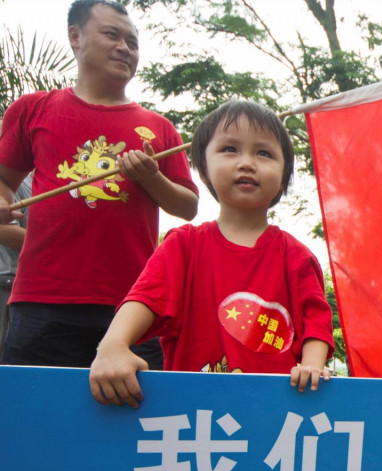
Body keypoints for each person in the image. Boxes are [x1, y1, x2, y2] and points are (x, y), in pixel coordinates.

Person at [0, 0, 199, 369]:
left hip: (134, 304)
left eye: (133, 42)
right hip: (43, 299)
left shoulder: (160, 128)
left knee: (137, 420)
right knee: (34, 415)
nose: (125, 48)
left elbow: (187, 206)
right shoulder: (34, 110)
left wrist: (151, 177)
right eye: (112, 35)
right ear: (75, 36)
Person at [89, 99, 334, 407]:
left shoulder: (296, 256)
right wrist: (113, 345)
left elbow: (316, 323)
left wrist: (312, 366)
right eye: (230, 149)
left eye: (264, 153)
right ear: (203, 167)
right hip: (193, 415)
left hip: (276, 413)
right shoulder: (183, 245)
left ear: (285, 175)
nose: (247, 162)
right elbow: (145, 300)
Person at [0, 175, 31, 364]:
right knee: (8, 367)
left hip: (53, 290)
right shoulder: (14, 183)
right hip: (12, 288)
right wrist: (61, 245)